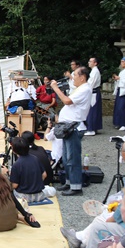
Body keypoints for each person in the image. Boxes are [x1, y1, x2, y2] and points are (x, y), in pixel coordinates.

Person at [51, 66, 92, 196]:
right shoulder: (80, 88)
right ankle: (69, 182)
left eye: (75, 75)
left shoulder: (85, 89)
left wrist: (56, 88)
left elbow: (67, 101)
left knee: (73, 158)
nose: (73, 78)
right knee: (66, 157)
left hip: (74, 127)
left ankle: (76, 187)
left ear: (82, 77)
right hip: (67, 127)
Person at [9, 137, 48, 203]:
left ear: (14, 150)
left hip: (23, 196)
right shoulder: (35, 158)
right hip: (39, 195)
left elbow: (15, 185)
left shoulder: (17, 164)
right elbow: (44, 175)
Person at [111, 57, 125, 131]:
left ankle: (124, 124)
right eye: (121, 61)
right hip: (120, 90)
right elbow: (120, 80)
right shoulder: (122, 71)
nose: (121, 63)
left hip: (124, 91)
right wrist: (117, 79)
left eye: (123, 62)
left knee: (123, 108)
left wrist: (119, 78)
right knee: (118, 107)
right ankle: (118, 123)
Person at [85, 57, 103, 136]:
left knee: (92, 111)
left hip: (94, 92)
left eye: (90, 61)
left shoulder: (95, 71)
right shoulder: (94, 71)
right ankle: (94, 127)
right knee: (94, 110)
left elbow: (91, 83)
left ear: (95, 63)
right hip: (94, 92)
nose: (89, 62)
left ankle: (91, 129)